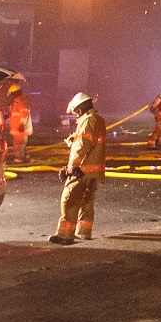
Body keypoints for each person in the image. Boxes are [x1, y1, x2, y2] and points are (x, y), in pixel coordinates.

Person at [50, 91, 106, 244]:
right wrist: (74, 139)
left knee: (69, 199)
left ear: (80, 109)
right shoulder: (98, 120)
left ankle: (65, 235)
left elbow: (82, 146)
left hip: (82, 170)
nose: (76, 116)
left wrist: (71, 167)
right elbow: (91, 142)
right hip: (95, 171)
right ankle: (83, 232)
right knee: (87, 202)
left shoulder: (87, 121)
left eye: (76, 112)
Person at [8, 88, 32, 163]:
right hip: (18, 130)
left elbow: (24, 113)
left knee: (18, 146)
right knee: (21, 145)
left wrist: (21, 124)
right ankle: (26, 157)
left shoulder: (20, 102)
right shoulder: (17, 102)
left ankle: (19, 160)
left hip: (20, 130)